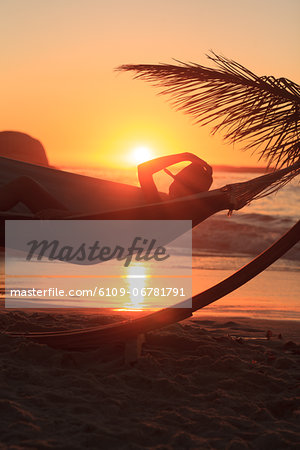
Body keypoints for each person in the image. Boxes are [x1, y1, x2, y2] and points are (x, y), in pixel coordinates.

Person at [138, 152, 213, 203]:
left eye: (176, 181)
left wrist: (185, 156)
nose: (173, 184)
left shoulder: (159, 208)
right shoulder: (185, 211)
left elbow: (143, 169)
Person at [0, 176, 69, 218]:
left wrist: (63, 214)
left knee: (24, 184)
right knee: (24, 184)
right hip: (74, 221)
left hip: (72, 227)